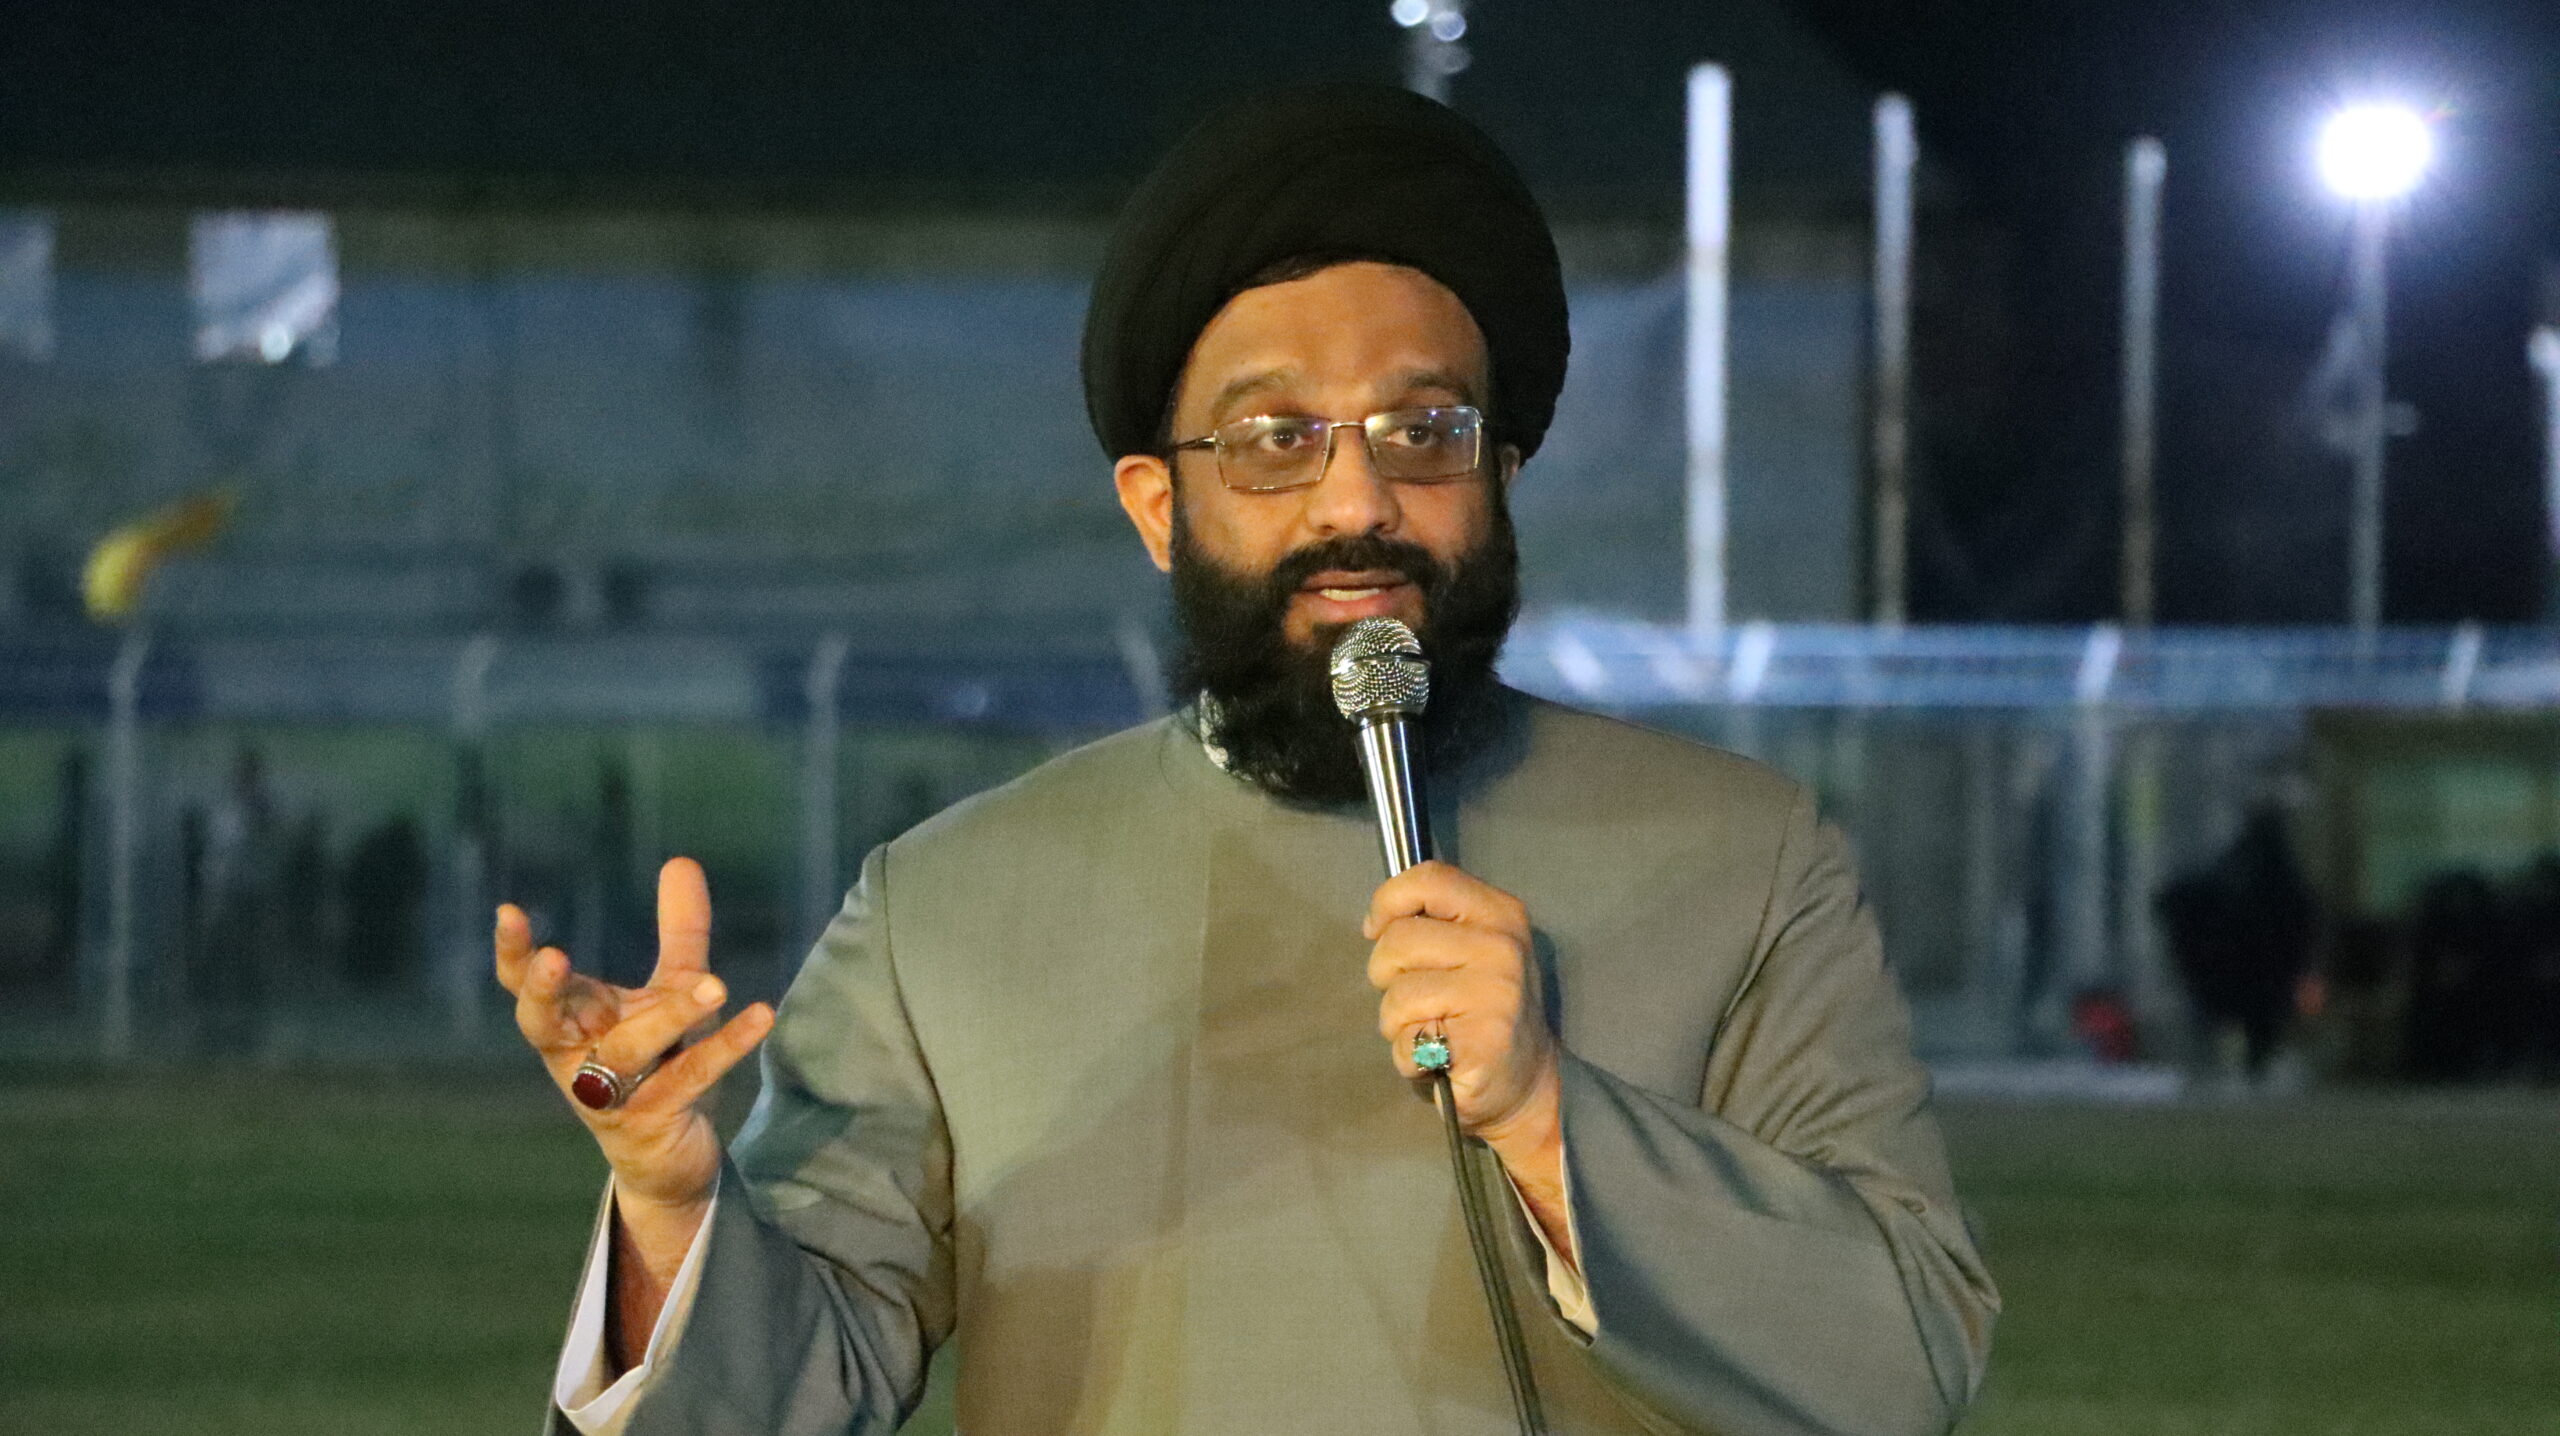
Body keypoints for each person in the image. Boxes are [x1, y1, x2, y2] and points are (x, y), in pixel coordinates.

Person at [496, 84, 1996, 1436]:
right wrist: (672, 1214)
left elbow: (1902, 1365)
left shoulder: (1743, 860)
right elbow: (786, 1393)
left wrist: (1550, 1118)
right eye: (1275, 439)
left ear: (1500, 473)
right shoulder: (942, 913)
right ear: (1159, 509)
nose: (1358, 501)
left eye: (1423, 430)